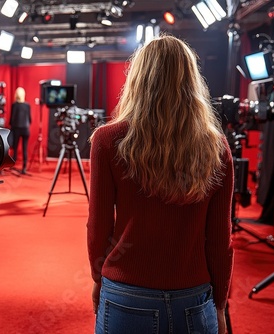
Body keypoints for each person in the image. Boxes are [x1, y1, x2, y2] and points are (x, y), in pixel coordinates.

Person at [87, 35, 234, 334]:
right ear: (191, 82)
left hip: (126, 294)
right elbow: (220, 240)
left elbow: (98, 227)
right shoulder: (216, 147)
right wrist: (219, 303)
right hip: (193, 298)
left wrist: (99, 279)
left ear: (138, 80)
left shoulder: (107, 141)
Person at [10, 87, 31, 174]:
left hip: (16, 129)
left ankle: (12, 165)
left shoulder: (14, 105)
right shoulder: (27, 105)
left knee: (15, 148)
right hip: (25, 129)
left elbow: (12, 118)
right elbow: (30, 119)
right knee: (25, 149)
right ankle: (24, 167)